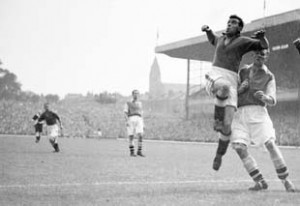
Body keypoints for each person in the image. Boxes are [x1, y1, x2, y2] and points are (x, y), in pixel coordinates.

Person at [201, 14, 269, 170]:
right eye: (228, 22)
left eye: (233, 23)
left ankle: (219, 155)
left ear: (239, 28)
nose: (229, 24)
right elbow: (212, 38)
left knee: (227, 127)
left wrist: (263, 37)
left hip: (232, 80)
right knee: (223, 87)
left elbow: (263, 46)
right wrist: (208, 30)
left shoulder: (243, 41)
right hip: (215, 76)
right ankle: (217, 119)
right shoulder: (219, 40)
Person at [231, 49, 295, 192]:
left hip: (258, 113)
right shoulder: (243, 71)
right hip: (240, 113)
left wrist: (265, 98)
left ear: (266, 57)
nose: (260, 56)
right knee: (239, 148)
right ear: (253, 55)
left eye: (263, 54)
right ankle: (260, 182)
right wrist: (240, 89)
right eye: (257, 53)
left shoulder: (269, 76)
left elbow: (272, 100)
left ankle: (286, 182)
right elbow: (231, 92)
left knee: (270, 144)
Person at [124, 90, 145, 157]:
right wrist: (127, 121)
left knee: (140, 135)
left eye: (137, 94)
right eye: (135, 94)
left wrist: (143, 122)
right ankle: (132, 152)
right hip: (131, 118)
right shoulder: (128, 103)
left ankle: (139, 151)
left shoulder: (140, 103)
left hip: (139, 119)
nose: (136, 95)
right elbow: (125, 112)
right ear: (132, 94)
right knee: (131, 136)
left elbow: (141, 113)